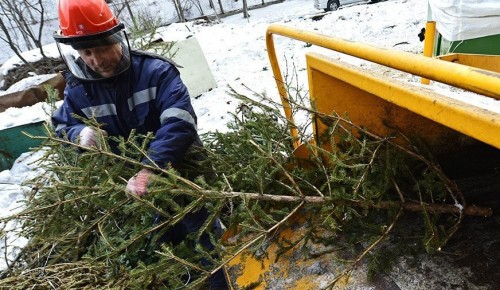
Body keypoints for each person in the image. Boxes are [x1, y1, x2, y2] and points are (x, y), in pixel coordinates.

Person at [51, 0, 228, 288]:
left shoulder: (156, 72)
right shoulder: (78, 89)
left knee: (206, 237)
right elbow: (61, 124)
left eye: (101, 48)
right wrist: (79, 133)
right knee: (166, 243)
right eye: (86, 52)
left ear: (117, 40)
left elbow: (179, 122)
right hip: (134, 189)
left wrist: (151, 168)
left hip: (184, 174)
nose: (96, 60)